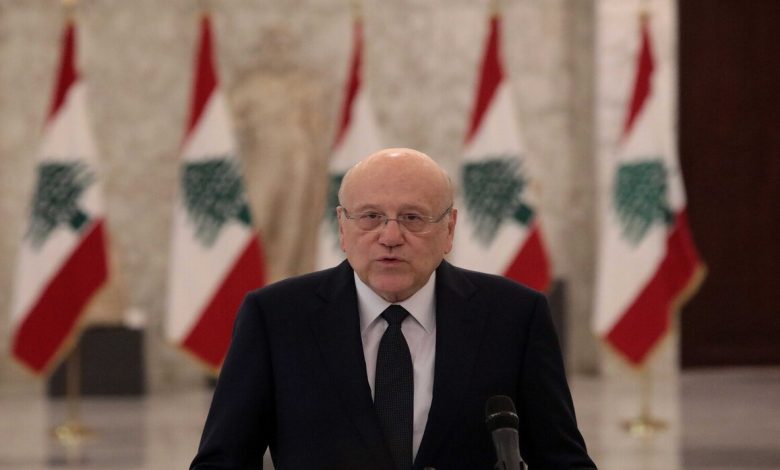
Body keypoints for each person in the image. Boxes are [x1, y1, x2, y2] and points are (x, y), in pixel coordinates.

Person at [190, 148, 596, 469]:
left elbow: (562, 460)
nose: (390, 236)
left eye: (412, 218)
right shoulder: (275, 317)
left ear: (449, 229)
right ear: (342, 228)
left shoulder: (515, 316)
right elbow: (222, 461)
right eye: (370, 217)